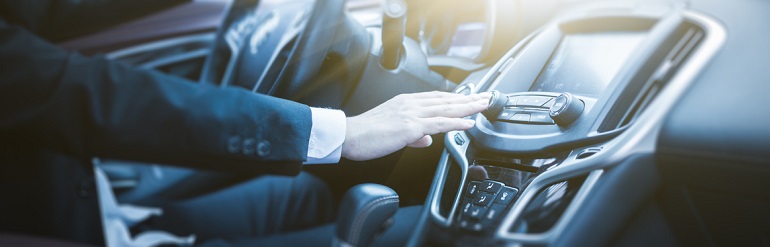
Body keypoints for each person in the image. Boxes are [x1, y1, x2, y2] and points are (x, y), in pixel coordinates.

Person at [0, 0, 490, 246]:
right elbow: (82, 93)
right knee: (412, 232)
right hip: (75, 232)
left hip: (88, 199)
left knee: (310, 195)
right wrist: (345, 131)